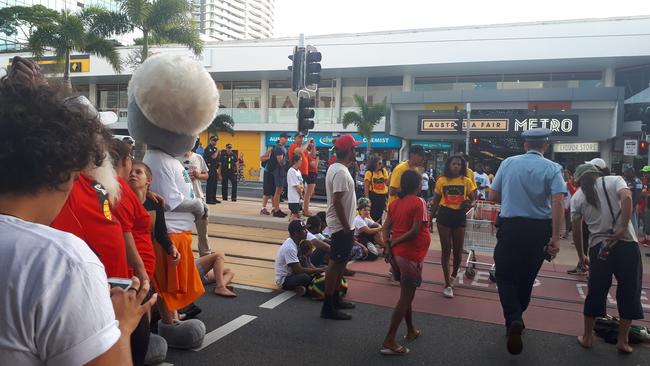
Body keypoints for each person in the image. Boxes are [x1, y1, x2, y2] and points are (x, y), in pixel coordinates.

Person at [0, 64, 158, 365]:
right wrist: (123, 329)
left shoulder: (104, 185)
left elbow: (128, 225)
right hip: (87, 313)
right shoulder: (60, 259)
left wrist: (139, 269)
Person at [489, 128, 567, 355]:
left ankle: (513, 318)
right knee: (527, 276)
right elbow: (558, 202)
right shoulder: (553, 168)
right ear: (546, 146)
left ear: (525, 144)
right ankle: (517, 316)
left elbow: (493, 197)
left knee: (504, 275)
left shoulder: (508, 163)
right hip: (538, 230)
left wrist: (513, 196)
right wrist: (555, 237)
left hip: (511, 228)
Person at [129, 161, 236, 299]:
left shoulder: (155, 204)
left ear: (148, 180)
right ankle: (220, 287)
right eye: (131, 172)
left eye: (138, 172)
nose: (132, 174)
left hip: (153, 259)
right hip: (140, 259)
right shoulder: (124, 201)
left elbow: (161, 232)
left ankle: (217, 287)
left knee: (144, 295)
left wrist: (171, 248)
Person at [570, 164, 643, 354]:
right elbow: (627, 197)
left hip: (598, 248)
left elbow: (577, 231)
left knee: (596, 291)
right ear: (597, 173)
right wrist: (622, 227)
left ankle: (587, 337)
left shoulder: (577, 196)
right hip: (627, 244)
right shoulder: (614, 180)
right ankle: (623, 340)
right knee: (629, 290)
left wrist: (581, 255)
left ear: (578, 180)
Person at [380, 169, 430, 355]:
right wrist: (393, 243)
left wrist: (388, 245)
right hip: (411, 255)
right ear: (417, 186)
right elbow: (415, 231)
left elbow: (385, 229)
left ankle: (410, 330)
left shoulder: (395, 204)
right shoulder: (419, 202)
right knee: (406, 297)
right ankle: (390, 338)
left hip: (397, 256)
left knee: (406, 294)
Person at [321, 134, 361, 320]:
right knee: (335, 264)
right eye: (354, 148)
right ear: (349, 151)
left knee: (341, 263)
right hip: (340, 226)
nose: (356, 152)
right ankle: (328, 306)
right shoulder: (340, 172)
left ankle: (335, 299)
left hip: (345, 225)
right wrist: (346, 226)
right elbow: (337, 202)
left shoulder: (339, 169)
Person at [429, 155, 477, 299]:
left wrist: (469, 202)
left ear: (462, 167)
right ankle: (447, 284)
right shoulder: (441, 180)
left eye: (459, 164)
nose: (456, 166)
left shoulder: (467, 181)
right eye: (453, 164)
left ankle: (454, 275)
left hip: (459, 216)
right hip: (444, 215)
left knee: (457, 251)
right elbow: (436, 201)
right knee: (446, 250)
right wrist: (430, 219)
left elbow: (474, 198)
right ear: (448, 165)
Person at [275, 220, 326, 294]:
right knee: (305, 277)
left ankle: (301, 287)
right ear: (296, 233)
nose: (307, 232)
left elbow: (307, 261)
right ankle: (300, 288)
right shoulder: (289, 248)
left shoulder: (299, 242)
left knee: (319, 252)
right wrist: (316, 271)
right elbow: (298, 270)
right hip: (286, 279)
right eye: (304, 230)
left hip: (295, 273)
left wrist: (316, 269)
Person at [179, 150, 212, 257]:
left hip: (198, 197)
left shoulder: (198, 157)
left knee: (203, 229)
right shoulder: (175, 157)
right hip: (182, 199)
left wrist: (198, 175)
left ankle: (205, 254)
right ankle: (184, 255)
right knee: (182, 230)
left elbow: (206, 175)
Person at [364, 155, 389, 223]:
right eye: (379, 163)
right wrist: (367, 199)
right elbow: (366, 187)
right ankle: (372, 228)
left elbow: (387, 183)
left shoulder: (383, 171)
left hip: (382, 195)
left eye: (381, 163)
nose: (381, 165)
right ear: (374, 163)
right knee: (373, 214)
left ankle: (378, 228)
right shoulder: (369, 173)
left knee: (380, 214)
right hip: (373, 195)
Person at [270, 133, 290, 217]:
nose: (286, 139)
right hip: (279, 171)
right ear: (280, 138)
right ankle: (276, 210)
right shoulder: (279, 148)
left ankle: (277, 208)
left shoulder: (282, 148)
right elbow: (281, 162)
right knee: (278, 191)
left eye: (287, 138)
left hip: (281, 171)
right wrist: (288, 163)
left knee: (279, 191)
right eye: (285, 138)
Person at [623, 167, 643, 235]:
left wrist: (633, 206)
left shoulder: (637, 181)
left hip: (633, 204)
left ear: (631, 172)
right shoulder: (625, 180)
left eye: (626, 172)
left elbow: (638, 195)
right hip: (624, 204)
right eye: (625, 172)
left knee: (633, 222)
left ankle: (634, 237)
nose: (625, 173)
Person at [287, 153, 305, 221]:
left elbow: (301, 182)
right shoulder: (291, 171)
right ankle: (291, 227)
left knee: (296, 213)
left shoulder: (298, 171)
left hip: (298, 197)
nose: (301, 162)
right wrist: (301, 195)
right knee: (295, 213)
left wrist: (302, 192)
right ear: (295, 161)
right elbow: (296, 186)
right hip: (293, 197)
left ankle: (291, 221)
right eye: (300, 160)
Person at [304, 139, 319, 216]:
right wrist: (317, 158)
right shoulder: (309, 155)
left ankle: (306, 209)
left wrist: (314, 145)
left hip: (312, 174)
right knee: (308, 194)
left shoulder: (310, 155)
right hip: (311, 174)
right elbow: (315, 165)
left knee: (308, 194)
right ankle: (306, 210)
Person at [204, 136, 220, 204]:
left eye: (216, 140)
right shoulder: (208, 148)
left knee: (214, 184)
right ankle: (209, 199)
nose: (215, 142)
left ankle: (213, 198)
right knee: (210, 184)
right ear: (210, 140)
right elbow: (213, 157)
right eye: (214, 140)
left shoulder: (215, 148)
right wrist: (217, 151)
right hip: (210, 168)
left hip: (214, 168)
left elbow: (218, 159)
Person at [562, 169, 577, 239]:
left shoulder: (572, 181)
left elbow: (573, 190)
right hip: (564, 201)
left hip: (571, 201)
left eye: (567, 173)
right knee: (565, 218)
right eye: (564, 173)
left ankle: (567, 232)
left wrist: (568, 181)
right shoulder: (561, 181)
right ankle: (566, 231)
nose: (565, 175)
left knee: (569, 218)